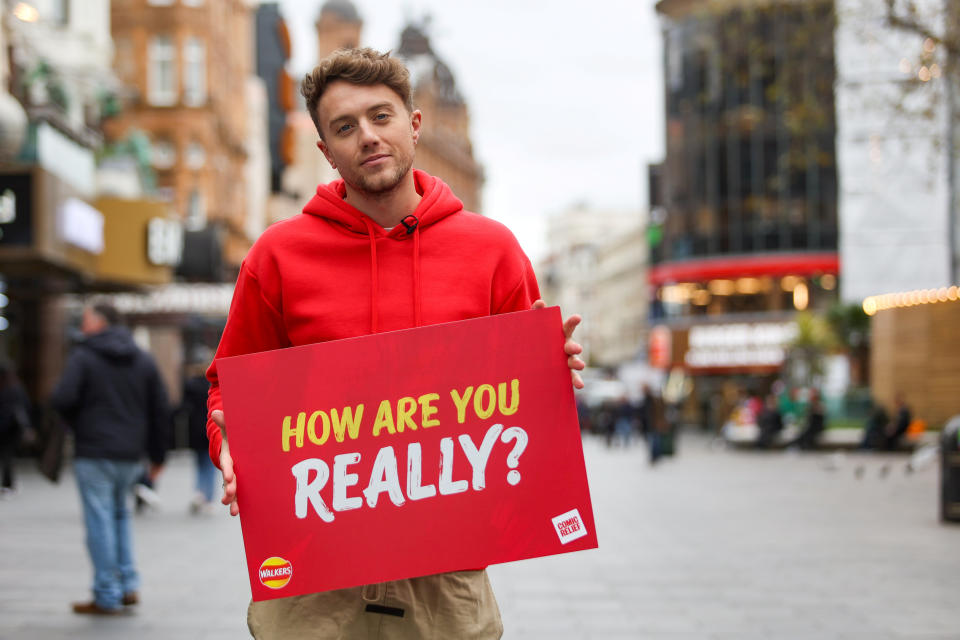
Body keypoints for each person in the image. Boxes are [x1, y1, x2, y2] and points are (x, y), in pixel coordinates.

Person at [204, 47, 585, 640]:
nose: (368, 137)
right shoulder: (277, 256)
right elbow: (228, 386)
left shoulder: (491, 250)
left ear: (414, 124)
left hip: (444, 568)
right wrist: (226, 444)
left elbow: (523, 410)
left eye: (381, 117)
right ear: (326, 150)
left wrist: (550, 370)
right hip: (314, 570)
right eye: (345, 127)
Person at [50, 301, 170, 615]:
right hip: (131, 455)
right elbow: (160, 408)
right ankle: (128, 584)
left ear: (99, 322)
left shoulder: (84, 356)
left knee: (99, 520)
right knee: (120, 516)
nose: (83, 323)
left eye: (86, 317)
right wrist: (158, 455)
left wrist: (80, 423)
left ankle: (106, 592)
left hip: (94, 451)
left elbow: (62, 397)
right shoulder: (142, 359)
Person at [180, 355, 218, 514]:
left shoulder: (190, 385)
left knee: (200, 464)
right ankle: (208, 498)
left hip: (195, 430)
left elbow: (184, 408)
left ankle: (199, 492)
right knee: (210, 465)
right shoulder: (213, 384)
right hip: (212, 428)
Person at [0, 359, 30, 495]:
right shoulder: (17, 387)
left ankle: (7, 484)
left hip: (8, 429)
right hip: (13, 429)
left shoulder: (9, 389)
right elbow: (26, 405)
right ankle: (8, 484)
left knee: (7, 457)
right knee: (8, 457)